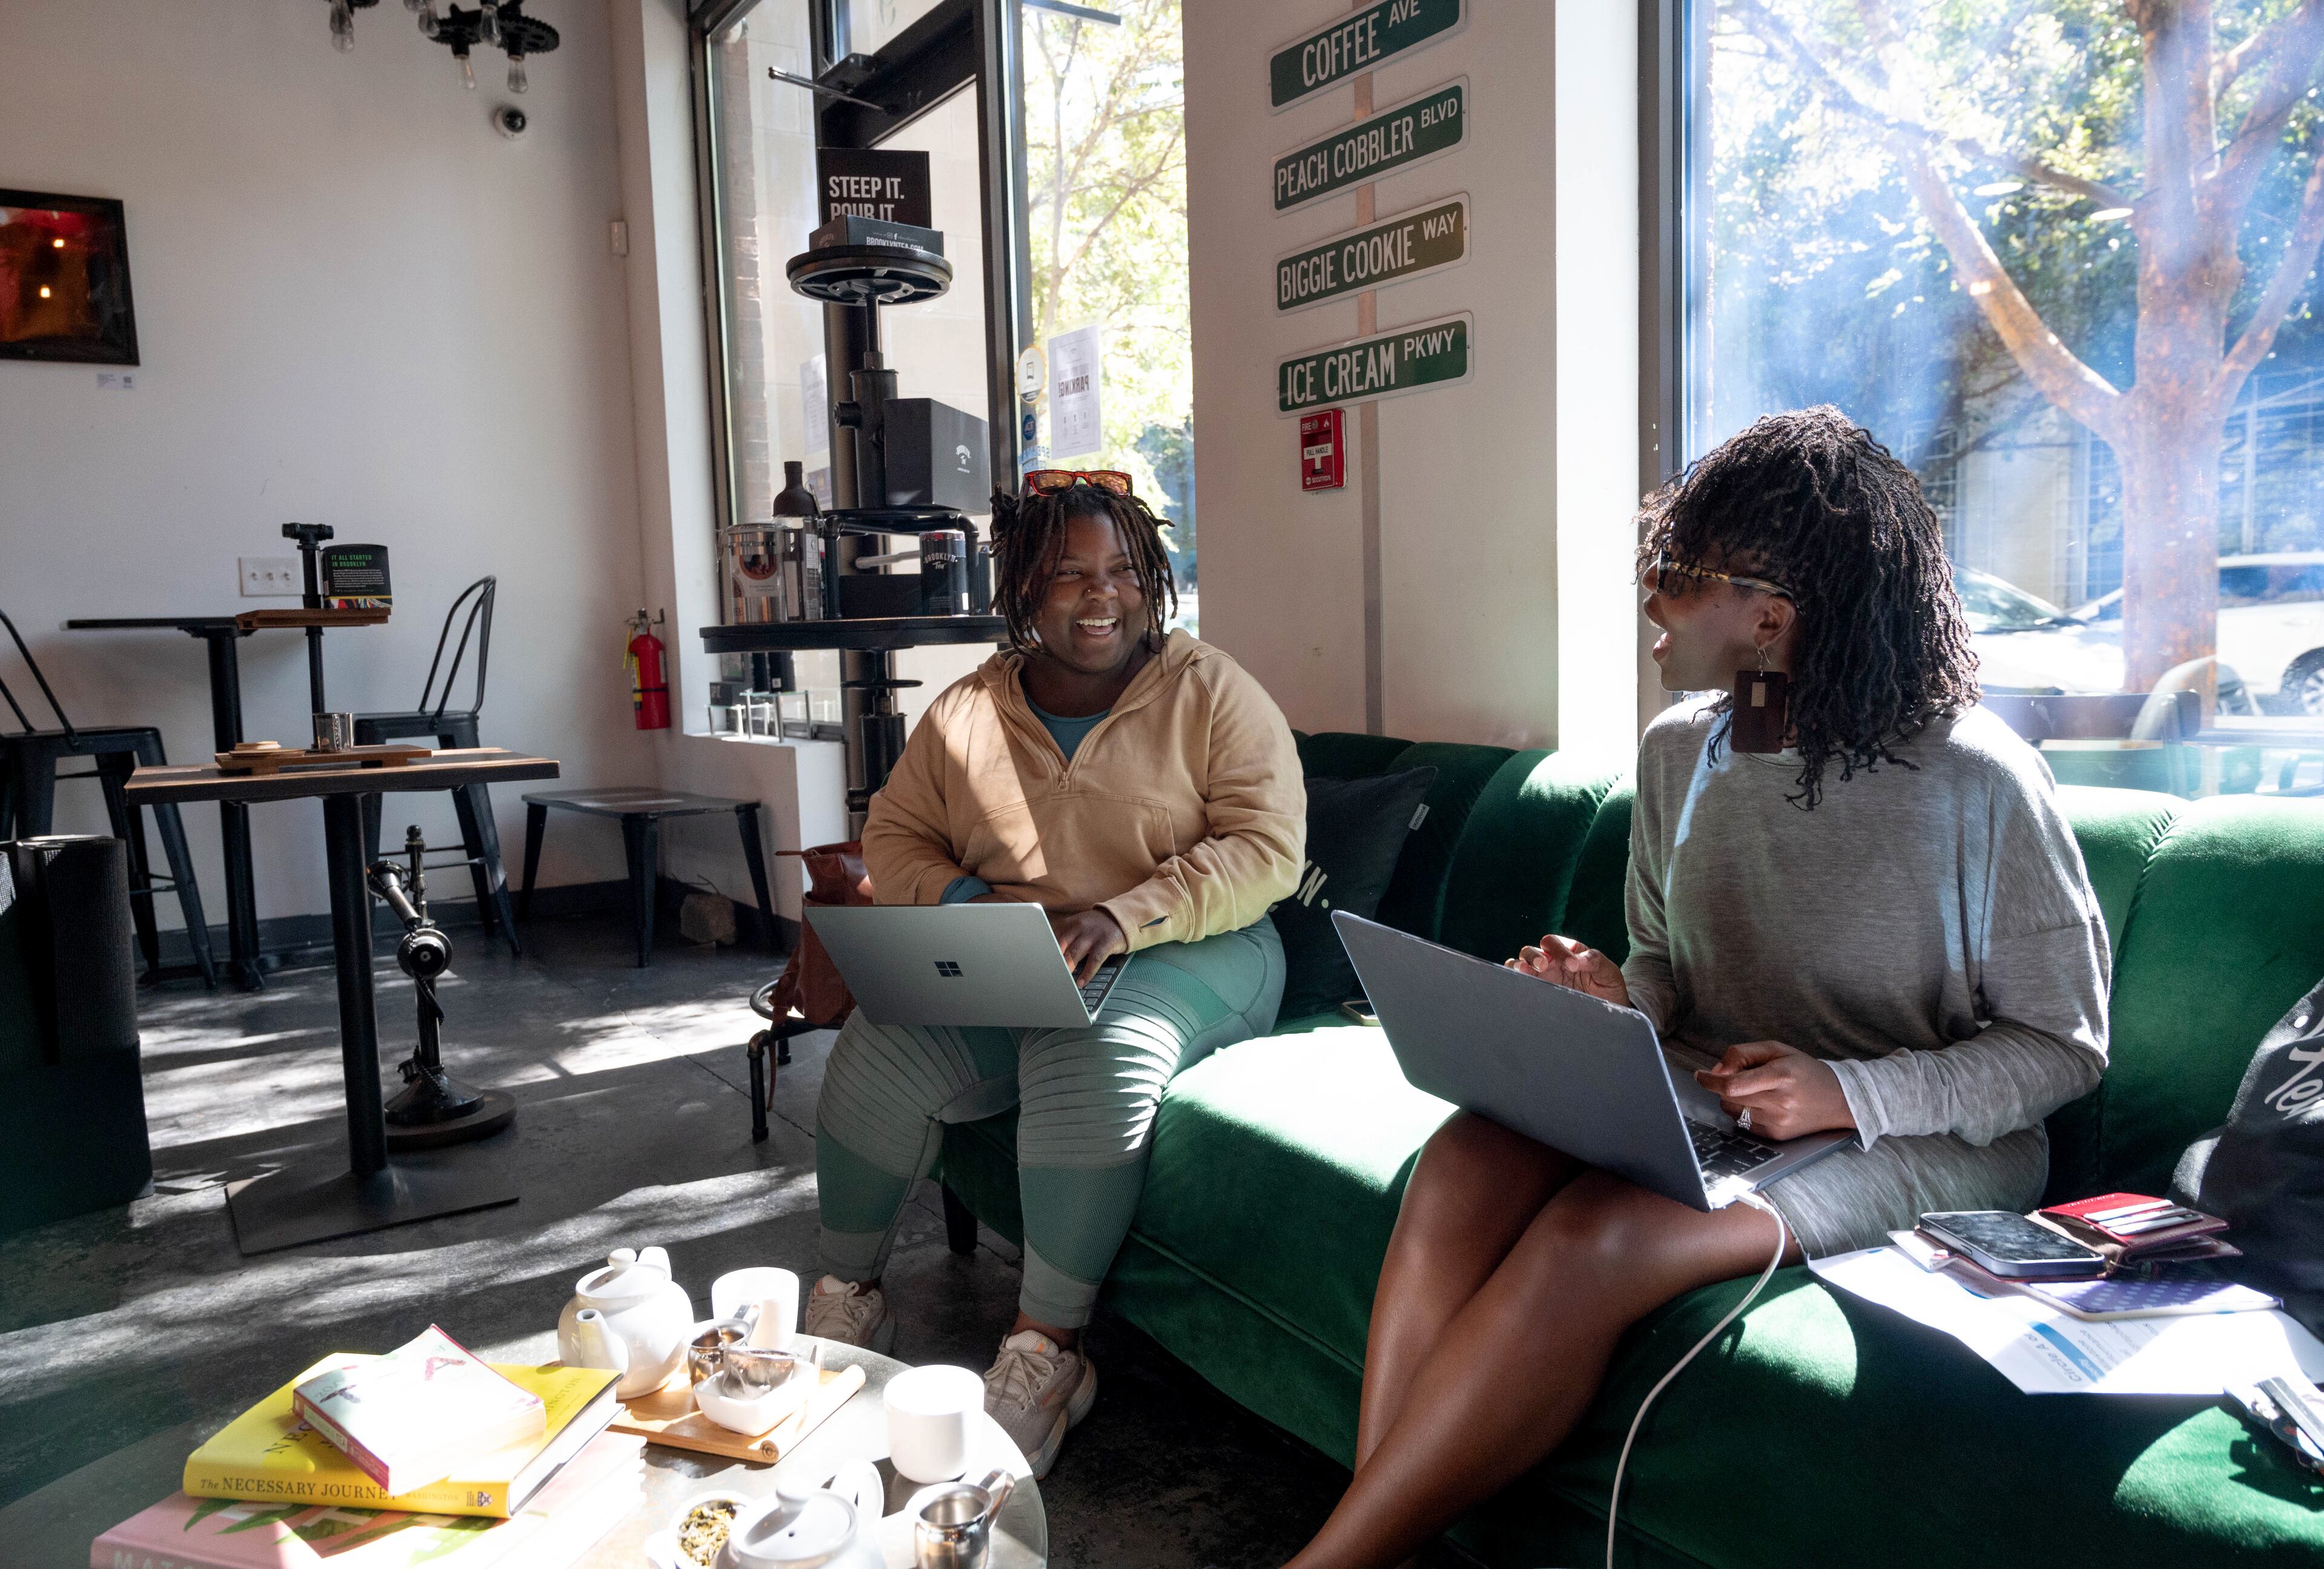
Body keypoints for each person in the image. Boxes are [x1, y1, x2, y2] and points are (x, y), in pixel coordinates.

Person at [1284, 406, 2112, 1569]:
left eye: (1678, 573)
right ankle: (1383, 1537)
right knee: (1468, 1154)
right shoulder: (1681, 749)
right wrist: (1621, 1003)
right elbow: (1669, 962)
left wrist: (1846, 1093)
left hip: (1917, 1134)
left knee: (1596, 1238)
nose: (1650, 597)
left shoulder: (1980, 778)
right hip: (1708, 1097)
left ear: (1770, 619)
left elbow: (2064, 1050)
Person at [804, 471, 1305, 1478]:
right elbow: (896, 834)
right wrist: (965, 909)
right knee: (880, 1043)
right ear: (1026, 585)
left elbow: (1267, 849)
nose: (1102, 595)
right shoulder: (970, 706)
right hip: (1016, 949)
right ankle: (844, 1304)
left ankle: (1045, 1354)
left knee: (1094, 1047)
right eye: (1072, 573)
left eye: (1123, 570)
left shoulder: (1211, 690)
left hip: (1198, 944)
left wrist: (1123, 916)